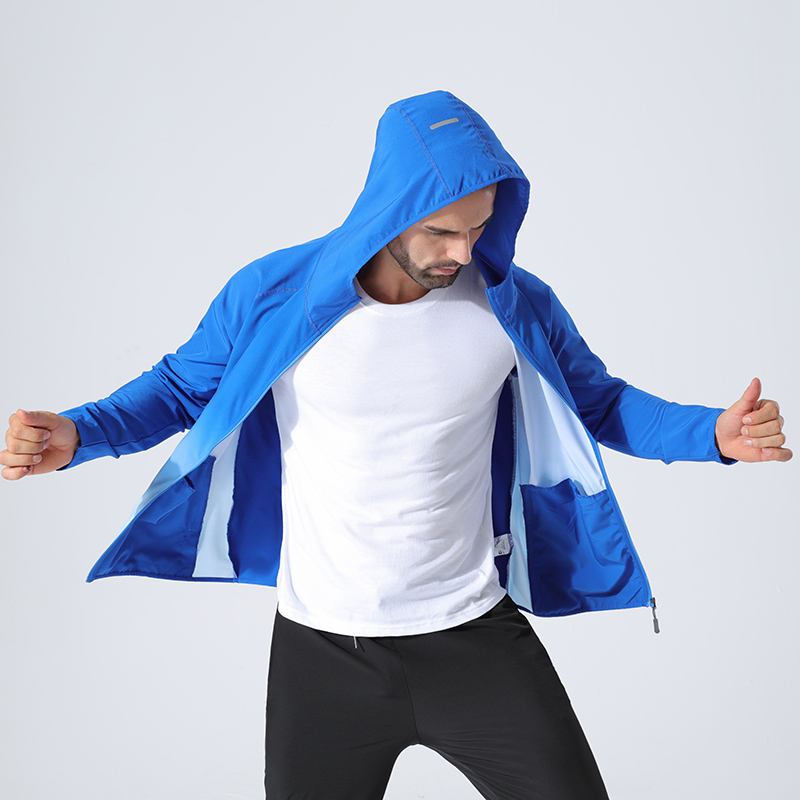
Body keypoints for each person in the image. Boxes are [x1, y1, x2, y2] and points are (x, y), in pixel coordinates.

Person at [2, 90, 791, 799]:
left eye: (479, 228)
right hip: (322, 653)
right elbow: (181, 387)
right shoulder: (278, 293)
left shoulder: (512, 305)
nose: (463, 252)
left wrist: (710, 435)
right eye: (443, 231)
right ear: (388, 210)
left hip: (474, 636)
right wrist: (81, 432)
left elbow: (601, 401)